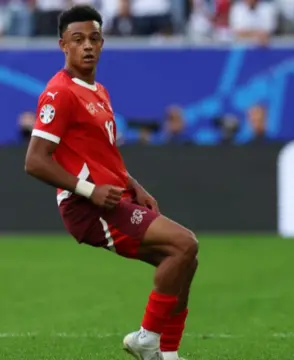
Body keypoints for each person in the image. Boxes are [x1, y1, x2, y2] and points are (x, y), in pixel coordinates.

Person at [24, 6, 198, 360]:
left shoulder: (98, 90)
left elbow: (104, 156)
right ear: (63, 46)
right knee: (183, 244)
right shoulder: (60, 94)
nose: (87, 45)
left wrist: (136, 186)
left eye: (93, 38)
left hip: (114, 197)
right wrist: (89, 190)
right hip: (87, 206)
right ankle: (146, 339)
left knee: (183, 259)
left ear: (102, 43)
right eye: (78, 39)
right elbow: (35, 161)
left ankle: (168, 353)